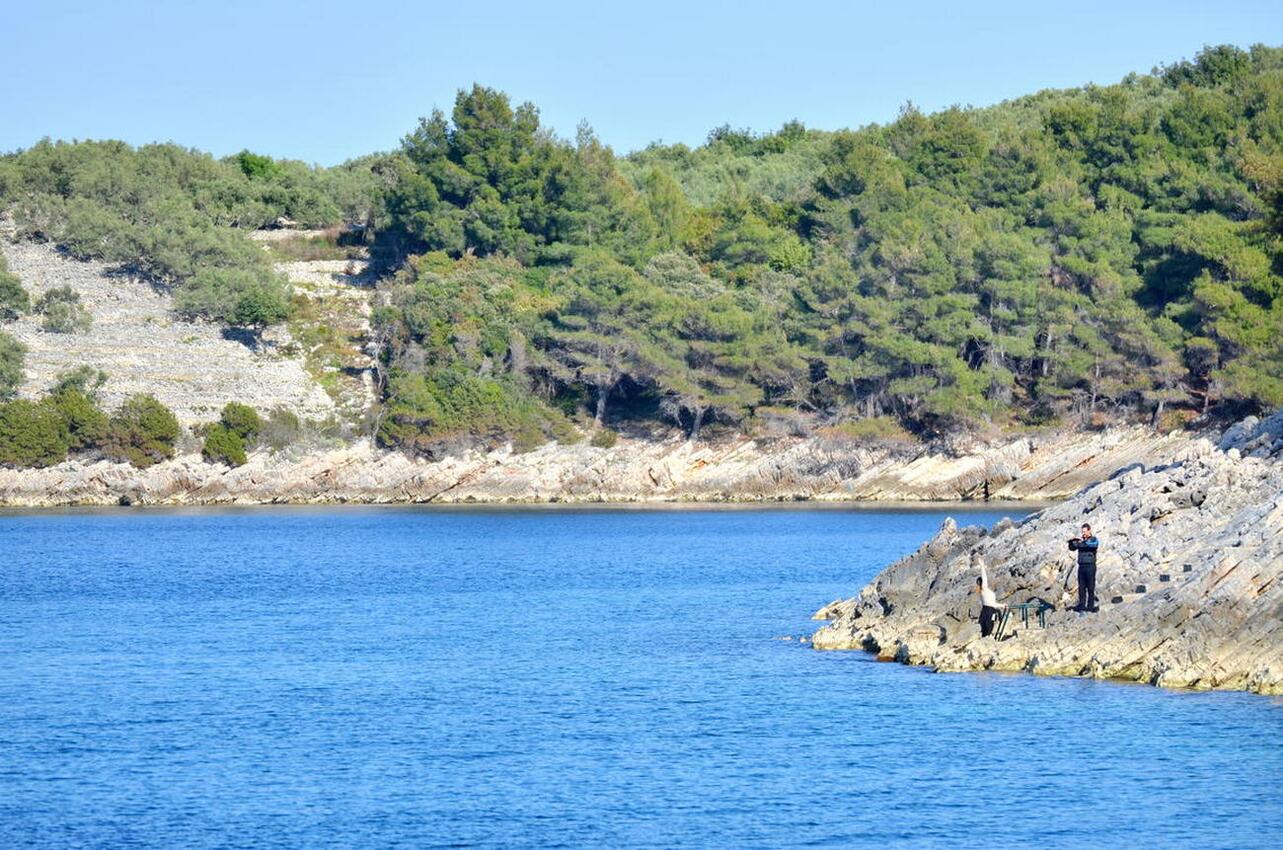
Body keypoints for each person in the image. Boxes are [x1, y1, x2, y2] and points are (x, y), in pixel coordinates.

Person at [972, 551, 1005, 637]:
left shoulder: (983, 592)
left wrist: (1002, 605)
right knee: (988, 630)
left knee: (986, 631)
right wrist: (982, 566)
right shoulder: (984, 589)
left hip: (987, 611)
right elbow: (984, 578)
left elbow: (992, 604)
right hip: (989, 611)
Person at [1069, 523, 1100, 612]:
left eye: (1085, 531)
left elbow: (1092, 545)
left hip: (1090, 566)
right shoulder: (1081, 541)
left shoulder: (1094, 539)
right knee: (1081, 587)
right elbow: (1072, 548)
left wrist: (1081, 543)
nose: (1083, 533)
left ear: (1089, 531)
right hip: (1081, 567)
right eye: (1082, 532)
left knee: (1090, 587)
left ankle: (1090, 606)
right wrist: (1072, 541)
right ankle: (1081, 605)